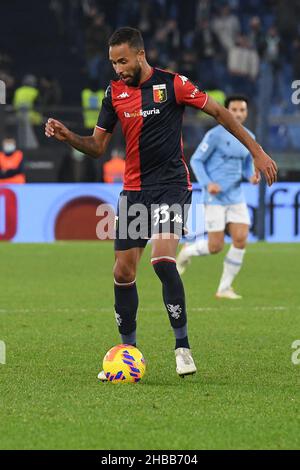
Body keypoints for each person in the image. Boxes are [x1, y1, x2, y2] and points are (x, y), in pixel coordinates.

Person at [45, 27, 277, 379]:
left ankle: (182, 347)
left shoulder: (173, 84)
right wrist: (68, 137)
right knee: (123, 272)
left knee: (163, 260)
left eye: (122, 61)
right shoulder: (114, 93)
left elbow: (219, 112)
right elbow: (96, 147)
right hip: (135, 192)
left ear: (140, 55)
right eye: (112, 62)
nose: (118, 68)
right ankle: (128, 353)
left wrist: (256, 151)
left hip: (171, 186)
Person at [177, 95, 259, 299]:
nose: (239, 114)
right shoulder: (215, 135)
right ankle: (188, 251)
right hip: (214, 197)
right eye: (235, 110)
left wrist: (250, 176)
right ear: (226, 111)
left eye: (242, 110)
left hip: (236, 195)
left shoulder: (249, 137)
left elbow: (247, 165)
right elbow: (196, 160)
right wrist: (208, 183)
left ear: (246, 113)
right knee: (216, 246)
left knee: (241, 239)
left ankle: (224, 288)